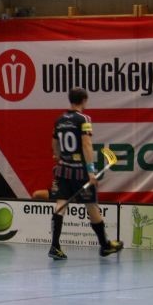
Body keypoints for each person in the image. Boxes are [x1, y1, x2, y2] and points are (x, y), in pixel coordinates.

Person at [48, 87, 124, 260]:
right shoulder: (84, 119)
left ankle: (55, 247)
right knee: (91, 206)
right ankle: (104, 246)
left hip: (63, 169)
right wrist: (90, 171)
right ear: (84, 100)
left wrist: (60, 157)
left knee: (60, 205)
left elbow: (54, 145)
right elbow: (87, 145)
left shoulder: (59, 120)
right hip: (80, 171)